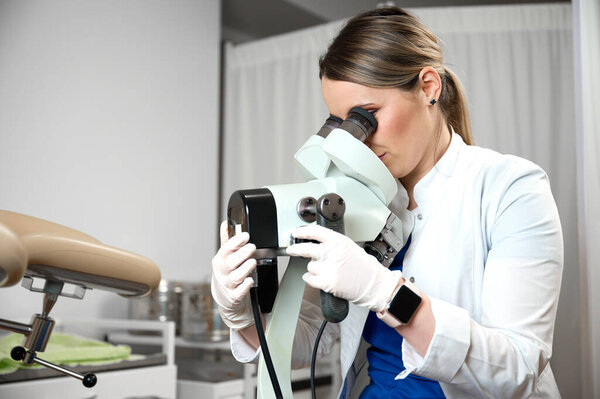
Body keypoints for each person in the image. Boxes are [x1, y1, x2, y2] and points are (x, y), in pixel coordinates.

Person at [211, 6, 563, 398]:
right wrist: (242, 313)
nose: (353, 139)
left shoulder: (510, 188)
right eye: (340, 122)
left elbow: (519, 367)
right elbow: (307, 338)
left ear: (429, 86)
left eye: (368, 114)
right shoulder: (351, 199)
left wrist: (387, 294)